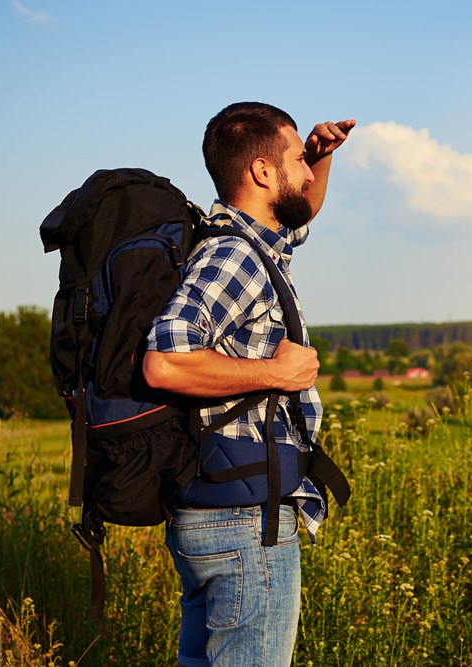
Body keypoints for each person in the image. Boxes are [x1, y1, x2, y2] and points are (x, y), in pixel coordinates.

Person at [142, 102, 354, 667]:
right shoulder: (234, 255)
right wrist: (276, 372)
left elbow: (299, 215)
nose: (307, 174)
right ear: (262, 173)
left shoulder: (251, 244)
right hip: (244, 525)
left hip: (221, 508)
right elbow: (165, 360)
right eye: (295, 161)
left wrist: (320, 157)